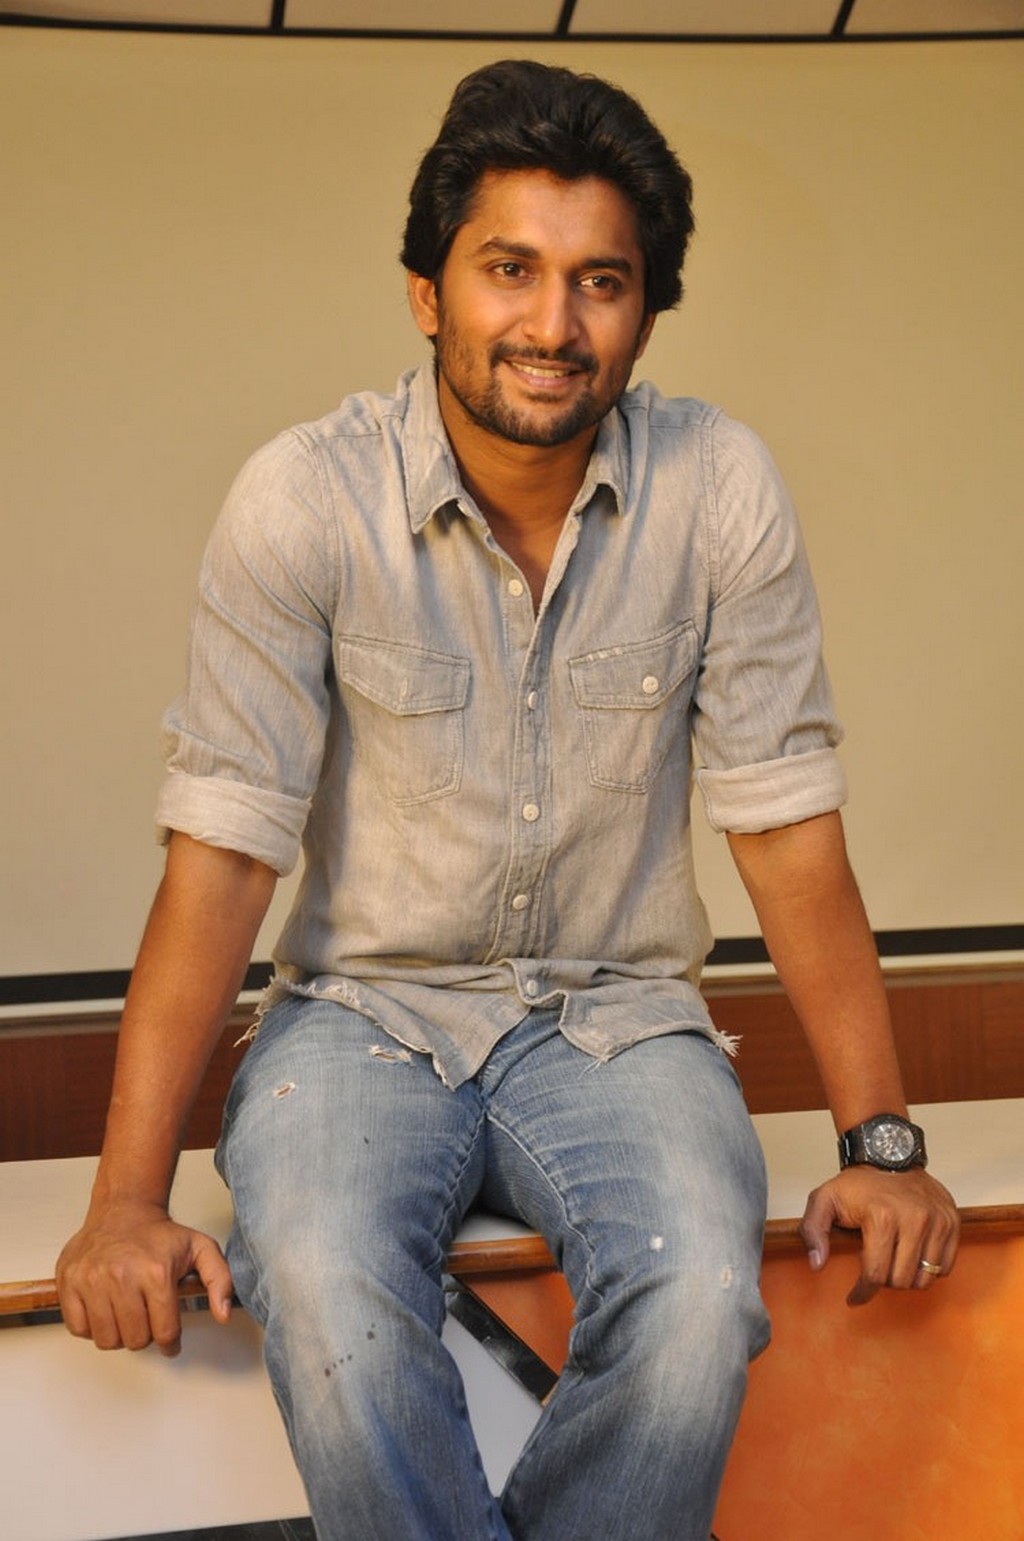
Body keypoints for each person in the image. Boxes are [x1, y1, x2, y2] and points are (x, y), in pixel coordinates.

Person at [57, 59, 959, 1541]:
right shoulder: (303, 500)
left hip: (619, 1018)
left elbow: (788, 827)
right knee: (329, 1293)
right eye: (510, 270)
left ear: (647, 313)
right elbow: (220, 854)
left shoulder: (718, 489)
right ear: (427, 293)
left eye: (602, 280)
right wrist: (123, 1201)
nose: (553, 324)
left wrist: (882, 1145)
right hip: (358, 1017)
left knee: (697, 1292)